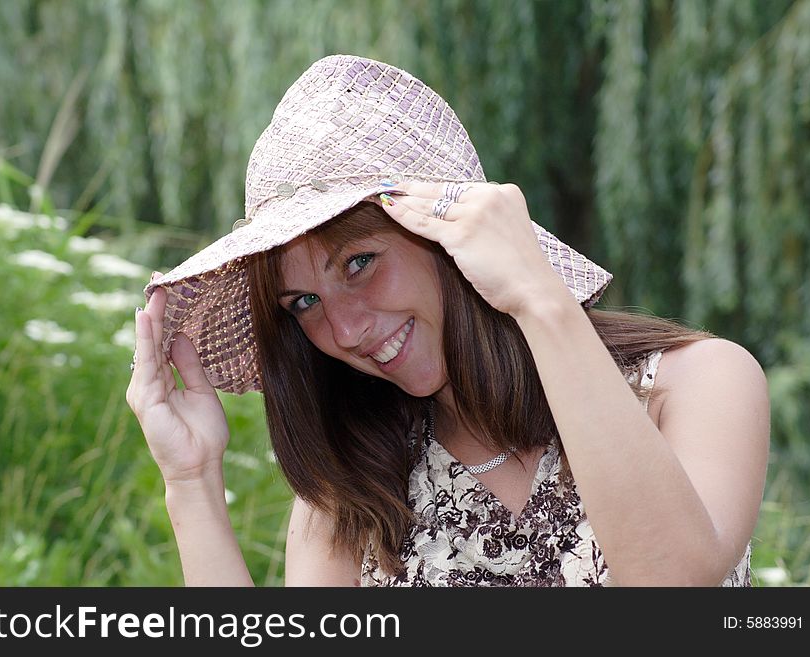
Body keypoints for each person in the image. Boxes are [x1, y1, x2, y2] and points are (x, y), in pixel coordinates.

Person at [126, 55, 770, 587]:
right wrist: (192, 482)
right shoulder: (353, 490)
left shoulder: (695, 386)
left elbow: (675, 590)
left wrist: (539, 300)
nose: (345, 331)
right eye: (304, 303)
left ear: (451, 239)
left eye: (359, 263)